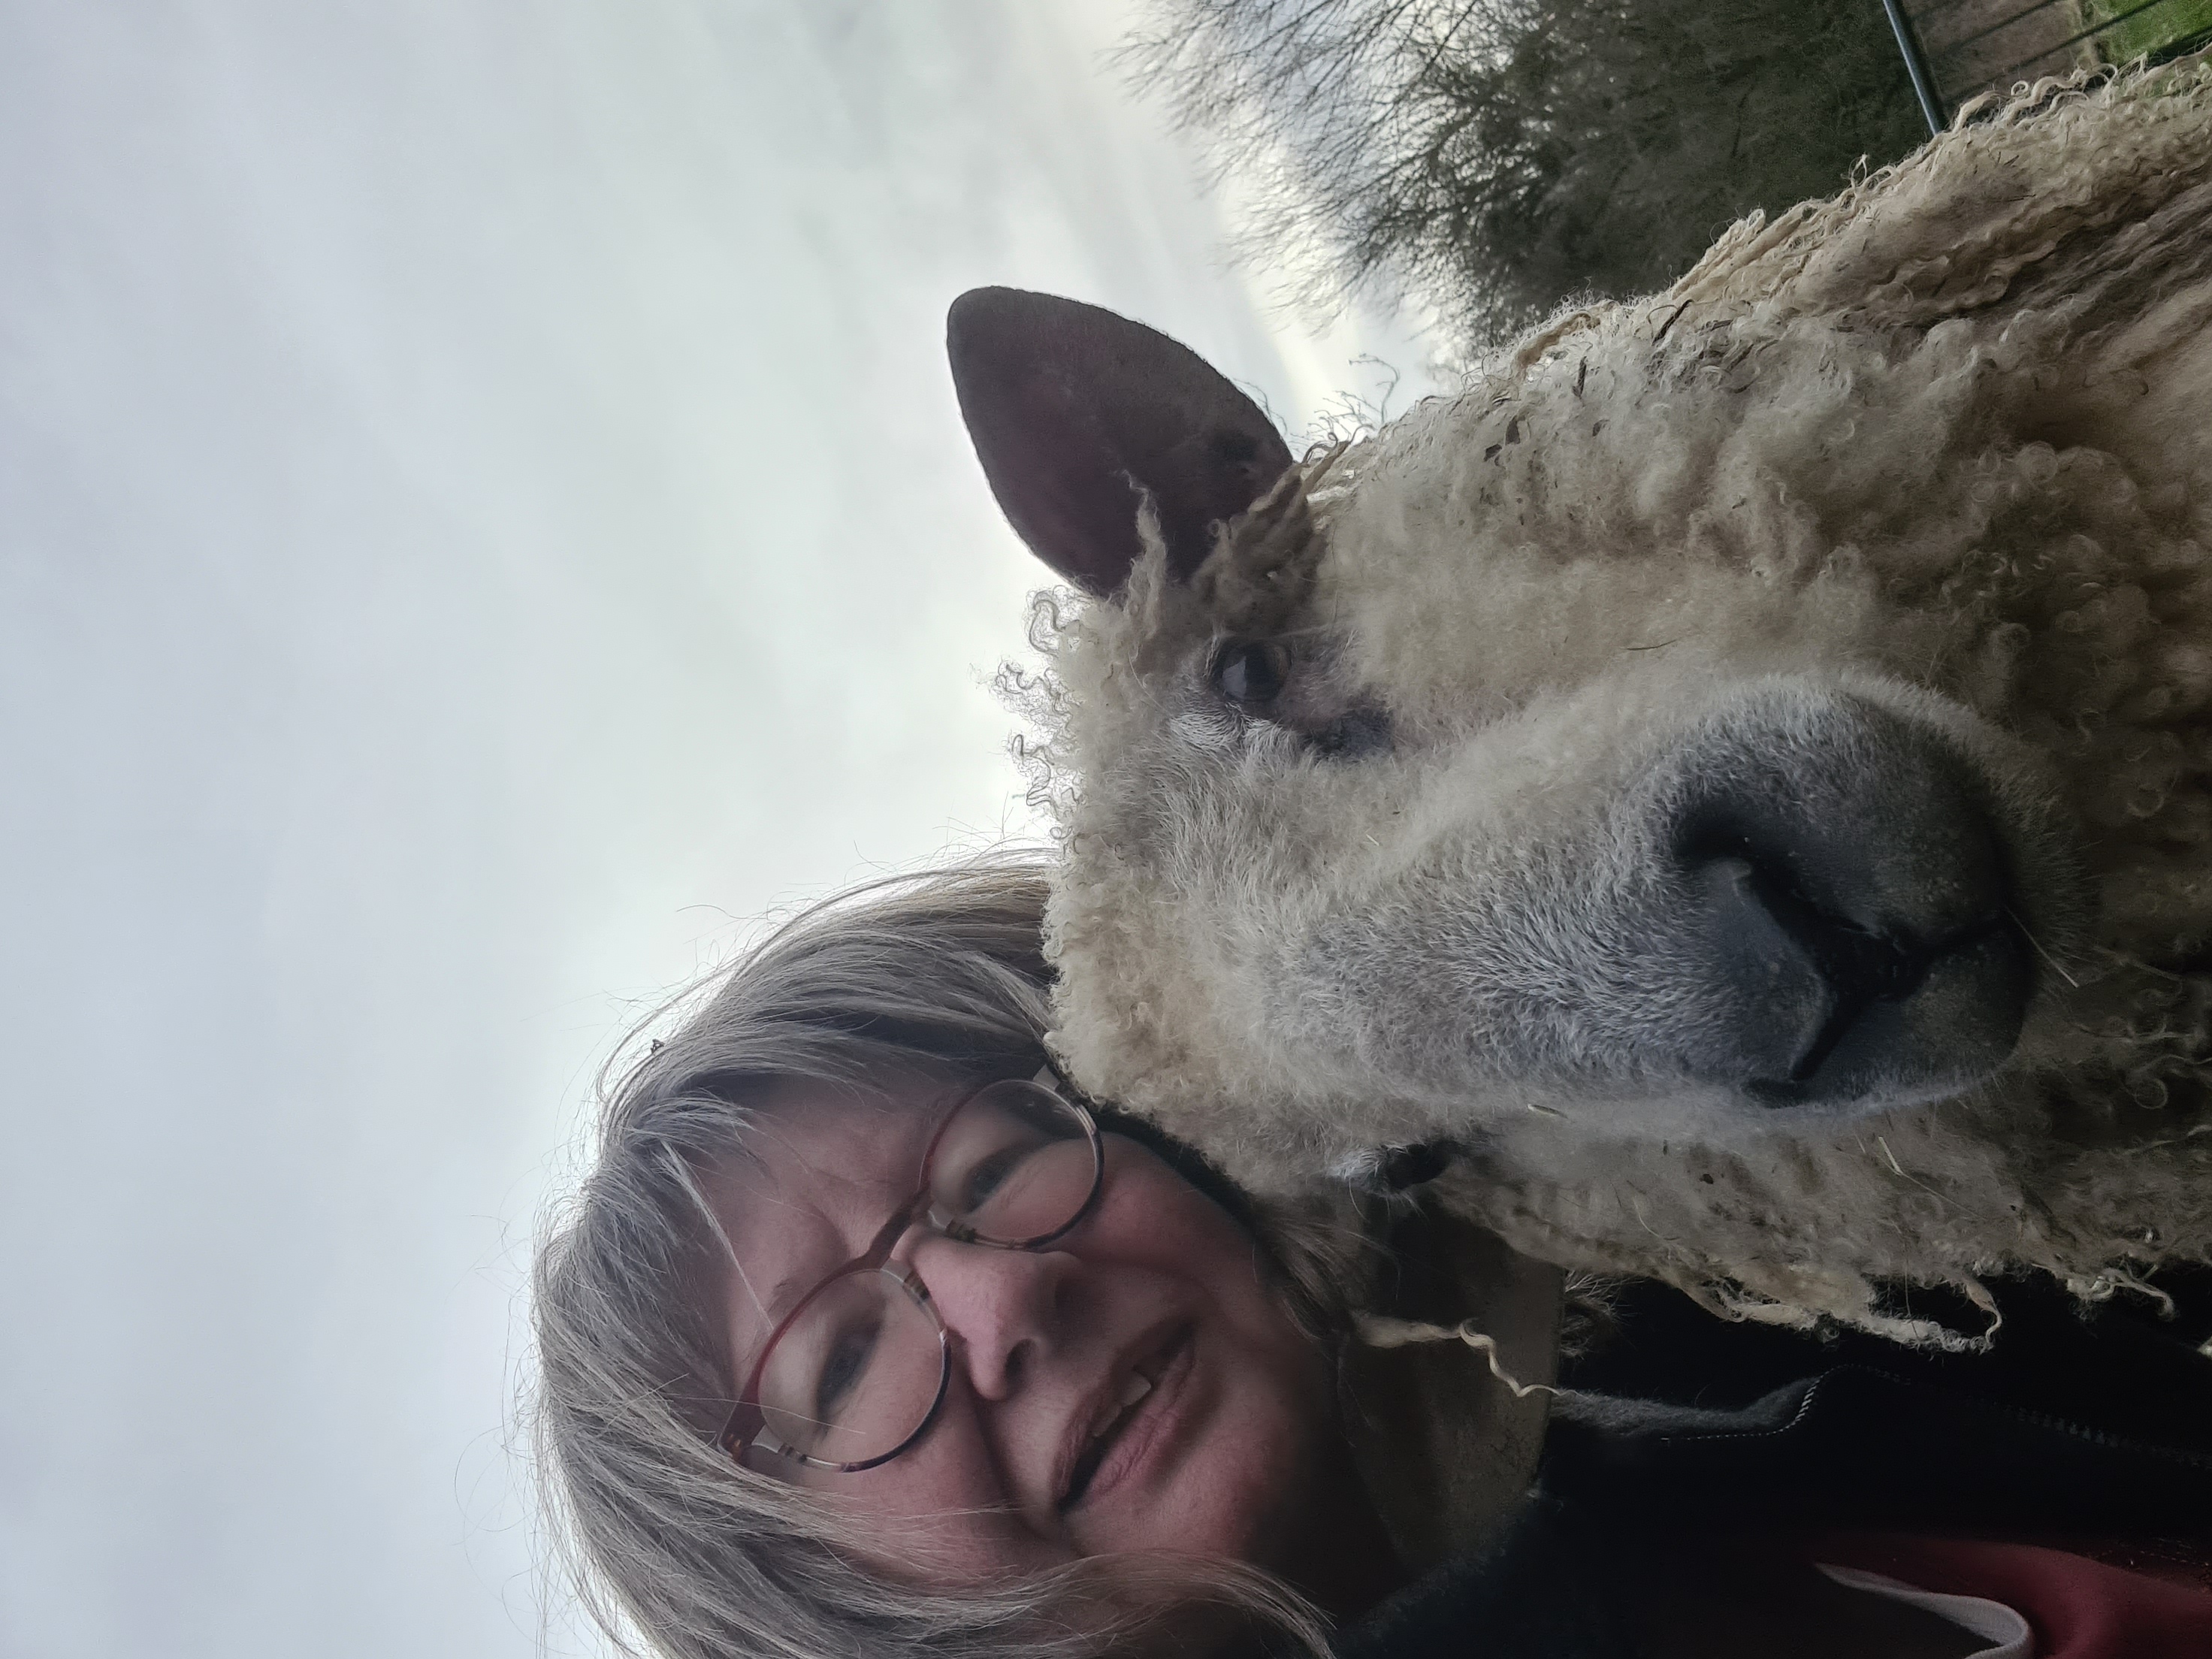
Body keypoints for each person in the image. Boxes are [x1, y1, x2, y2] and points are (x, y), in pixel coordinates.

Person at [533, 858, 2212, 1659]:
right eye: (840, 1360)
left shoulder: (1796, 1326)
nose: (995, 1297)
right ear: (796, 1596)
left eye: (994, 1162)